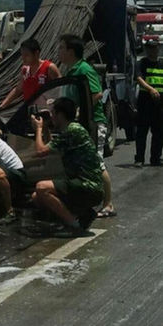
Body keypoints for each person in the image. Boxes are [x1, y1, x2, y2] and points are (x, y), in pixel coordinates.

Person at [58, 34, 115, 218]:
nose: (59, 52)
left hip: (92, 123)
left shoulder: (84, 69)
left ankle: (108, 204)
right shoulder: (71, 71)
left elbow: (96, 93)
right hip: (78, 125)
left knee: (96, 163)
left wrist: (79, 110)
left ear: (71, 51)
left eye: (61, 48)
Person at [31, 97, 104, 235]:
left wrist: (39, 129)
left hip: (88, 186)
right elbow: (51, 149)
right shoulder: (71, 129)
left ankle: (73, 225)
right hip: (82, 184)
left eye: (53, 114)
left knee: (42, 187)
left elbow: (40, 151)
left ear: (60, 115)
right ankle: (82, 214)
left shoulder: (72, 131)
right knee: (37, 197)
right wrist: (46, 129)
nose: (51, 117)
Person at [0, 39, 61, 109]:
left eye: (26, 55)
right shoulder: (25, 70)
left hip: (46, 112)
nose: (23, 58)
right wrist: (3, 105)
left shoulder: (49, 68)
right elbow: (18, 89)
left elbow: (60, 90)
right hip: (30, 110)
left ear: (36, 54)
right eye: (22, 55)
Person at [135, 39, 163, 166]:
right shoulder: (142, 63)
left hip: (159, 105)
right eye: (150, 48)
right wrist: (151, 89)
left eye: (154, 48)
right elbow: (139, 78)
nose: (152, 50)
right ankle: (139, 159)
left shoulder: (162, 63)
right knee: (142, 132)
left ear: (158, 48)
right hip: (145, 103)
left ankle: (155, 158)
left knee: (158, 132)